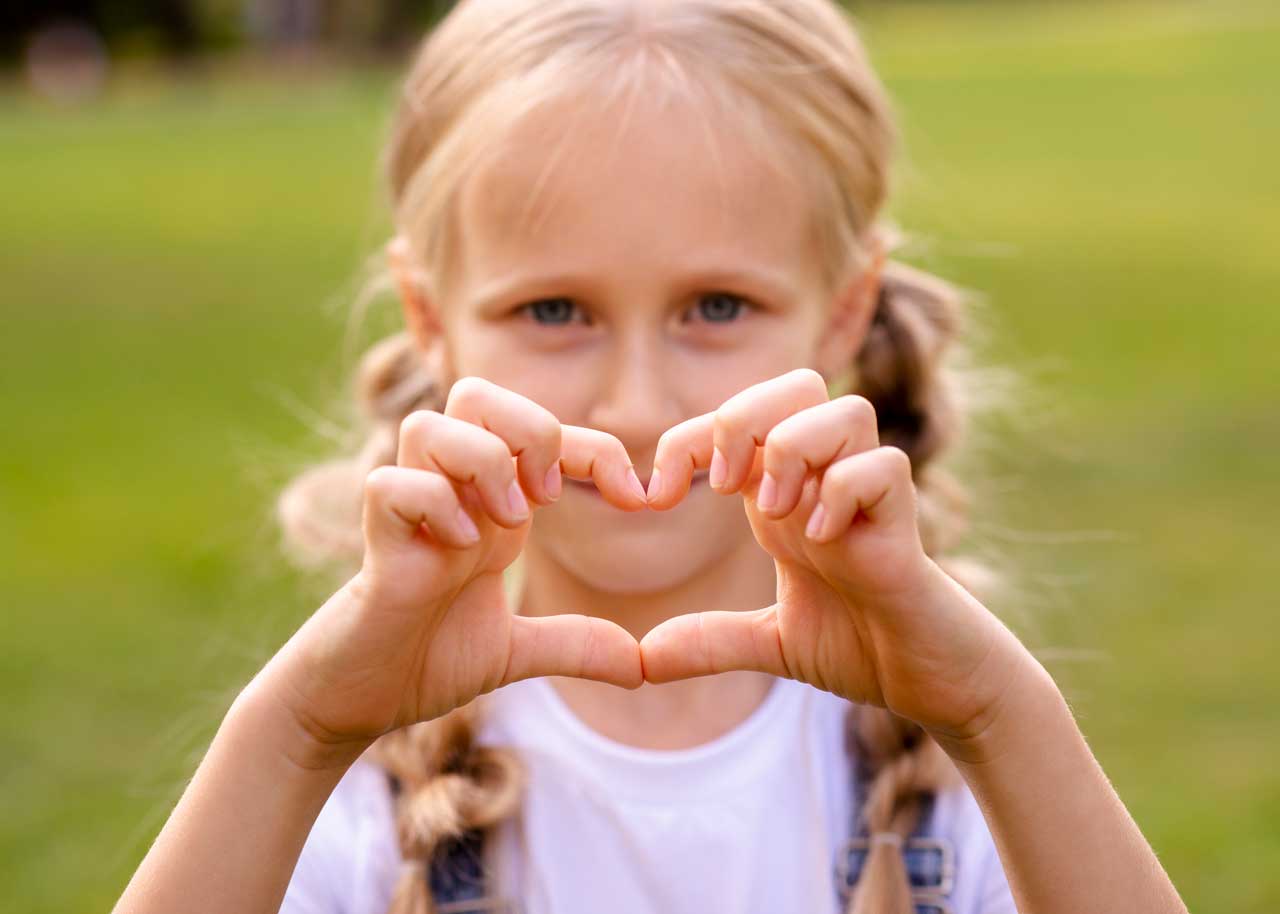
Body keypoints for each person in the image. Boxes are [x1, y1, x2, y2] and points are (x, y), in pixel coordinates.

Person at [111, 2, 1191, 913]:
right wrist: (295, 729)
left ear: (841, 314)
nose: (633, 405)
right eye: (554, 309)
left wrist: (999, 717)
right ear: (432, 323)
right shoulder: (349, 778)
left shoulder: (960, 766)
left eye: (715, 306)